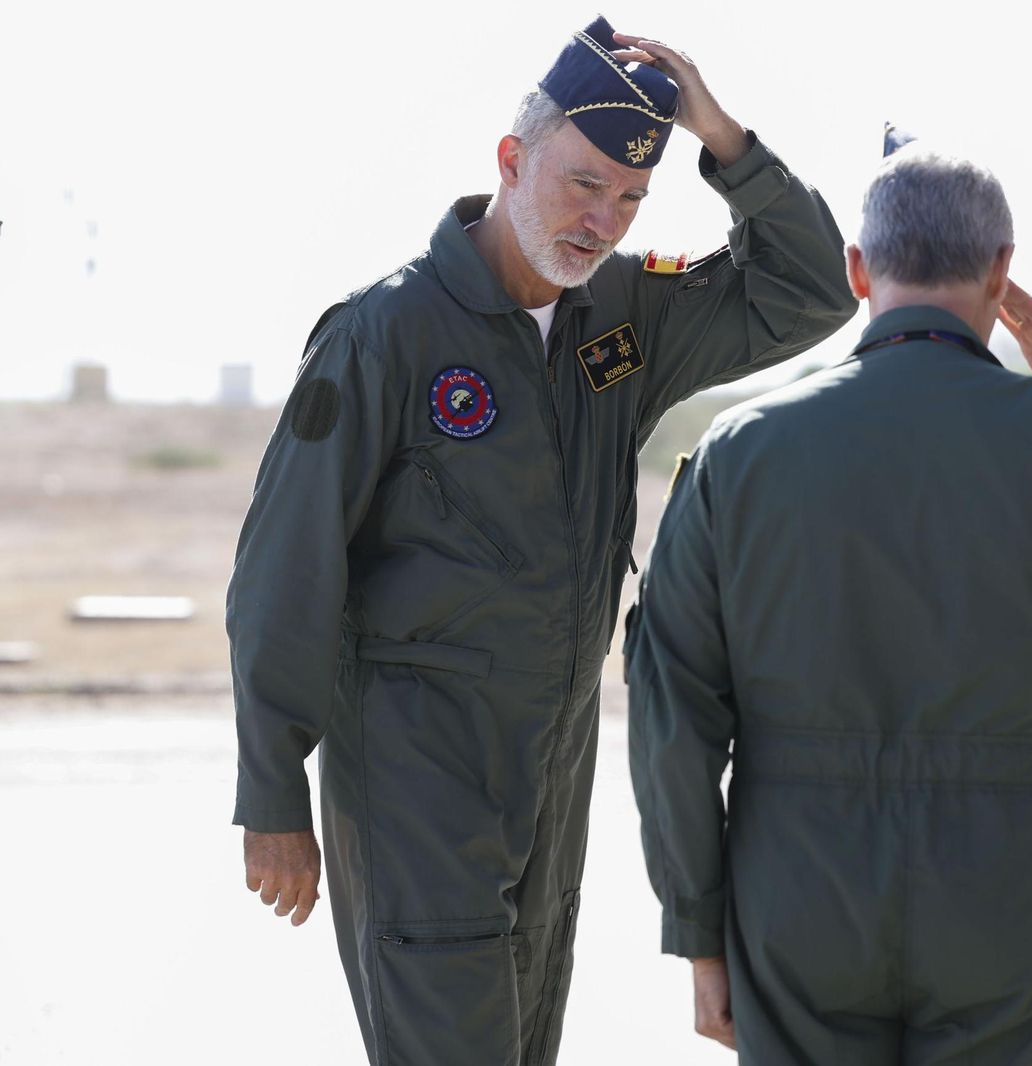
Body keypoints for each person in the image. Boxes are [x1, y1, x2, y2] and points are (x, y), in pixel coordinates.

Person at [227, 15, 856, 1066]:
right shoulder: (384, 334)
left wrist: (725, 140)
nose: (602, 221)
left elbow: (813, 291)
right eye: (583, 183)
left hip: (555, 770)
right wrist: (271, 792)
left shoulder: (623, 314)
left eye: (631, 198)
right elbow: (285, 568)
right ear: (512, 160)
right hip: (419, 779)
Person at [624, 142, 1032, 1063]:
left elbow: (673, 710)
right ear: (1002, 273)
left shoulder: (739, 452)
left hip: (799, 891)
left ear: (857, 270)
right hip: (1004, 888)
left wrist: (698, 930)